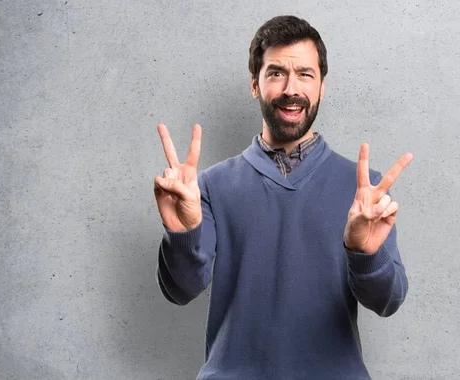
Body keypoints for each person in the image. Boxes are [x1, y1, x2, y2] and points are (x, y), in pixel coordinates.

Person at [154, 15, 413, 380]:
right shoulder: (210, 186)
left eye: (305, 74)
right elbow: (180, 291)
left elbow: (388, 301)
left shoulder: (365, 190)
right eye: (276, 73)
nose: (292, 88)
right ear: (255, 85)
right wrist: (183, 234)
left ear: (322, 86)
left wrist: (365, 254)